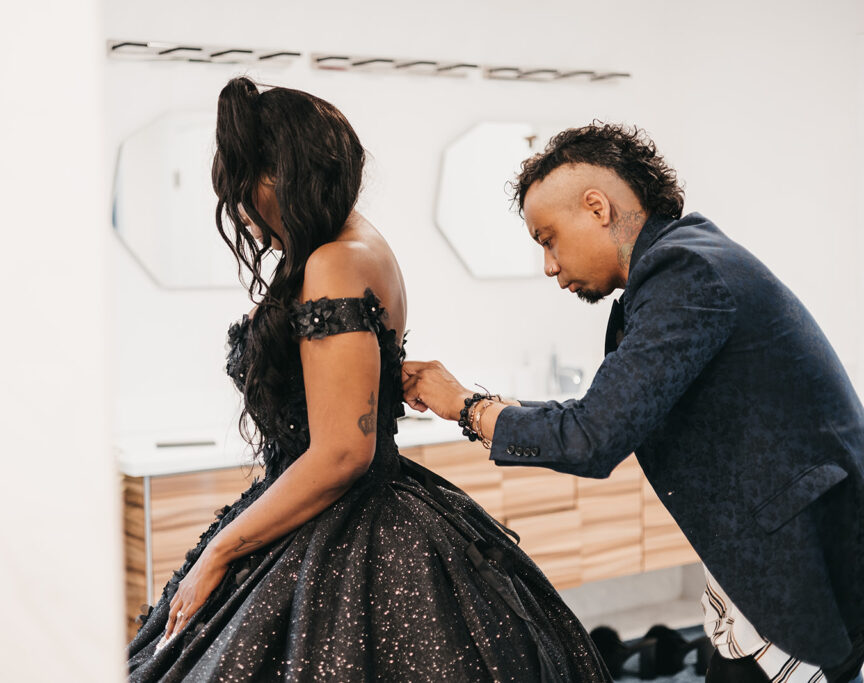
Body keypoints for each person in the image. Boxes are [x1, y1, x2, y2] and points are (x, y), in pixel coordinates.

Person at [125, 78, 611, 682]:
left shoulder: (338, 259)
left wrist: (223, 549)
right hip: (346, 512)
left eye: (244, 189)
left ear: (280, 177)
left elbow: (341, 452)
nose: (245, 213)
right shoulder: (353, 246)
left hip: (348, 523)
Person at [401, 122, 864, 683]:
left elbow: (594, 437)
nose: (549, 265)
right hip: (769, 560)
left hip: (802, 565)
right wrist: (482, 403)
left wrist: (467, 408)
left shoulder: (684, 273)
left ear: (597, 207)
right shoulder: (684, 262)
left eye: (547, 239)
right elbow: (605, 411)